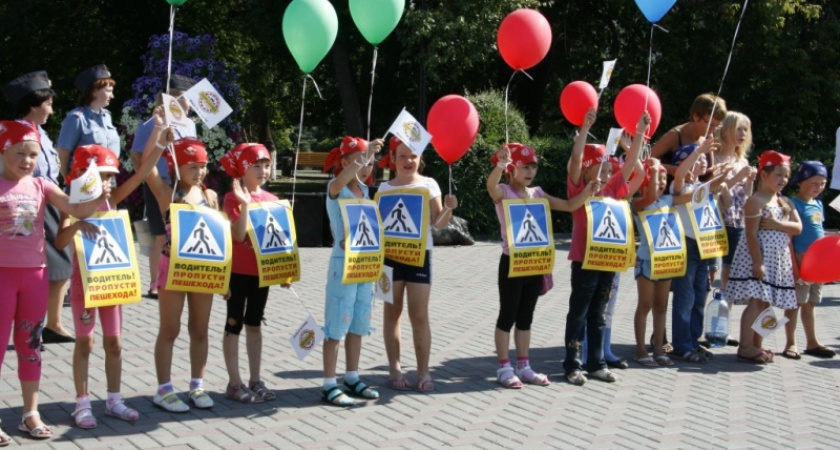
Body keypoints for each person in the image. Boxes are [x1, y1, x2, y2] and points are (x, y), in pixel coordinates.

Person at [55, 114, 169, 428]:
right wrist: (79, 223)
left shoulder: (112, 201)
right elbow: (59, 240)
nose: (107, 183)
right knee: (85, 343)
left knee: (115, 343)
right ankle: (81, 403)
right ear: (81, 176)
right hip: (84, 288)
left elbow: (144, 172)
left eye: (109, 177)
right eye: (100, 176)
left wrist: (160, 138)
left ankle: (114, 400)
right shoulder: (73, 204)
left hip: (113, 287)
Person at [0, 121, 109, 443]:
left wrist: (98, 197)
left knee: (30, 345)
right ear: (3, 150)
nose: (27, 160)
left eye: (33, 154)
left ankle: (30, 413)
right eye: (20, 153)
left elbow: (75, 209)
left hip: (35, 275)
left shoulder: (41, 186)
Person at [486, 143, 598, 388]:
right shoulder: (504, 191)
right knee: (507, 316)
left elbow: (569, 205)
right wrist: (500, 165)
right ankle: (504, 366)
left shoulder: (538, 193)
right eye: (524, 167)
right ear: (512, 168)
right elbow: (491, 187)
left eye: (533, 167)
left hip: (535, 263)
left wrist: (588, 190)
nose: (530, 172)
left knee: (526, 317)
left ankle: (524, 366)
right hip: (512, 262)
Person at [563, 108, 647, 385]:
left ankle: (596, 362)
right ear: (587, 171)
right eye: (599, 168)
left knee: (599, 313)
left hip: (608, 260)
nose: (606, 173)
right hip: (585, 259)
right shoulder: (579, 188)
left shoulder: (611, 189)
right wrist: (585, 129)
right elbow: (575, 159)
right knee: (580, 312)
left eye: (610, 169)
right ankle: (573, 365)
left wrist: (639, 133)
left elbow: (633, 161)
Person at [144, 136, 219, 412]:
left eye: (202, 165)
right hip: (172, 269)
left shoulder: (210, 196)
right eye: (191, 166)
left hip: (204, 271)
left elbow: (218, 238)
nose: (198, 172)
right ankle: (164, 389)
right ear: (176, 168)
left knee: (199, 329)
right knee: (170, 328)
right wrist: (159, 137)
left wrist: (223, 278)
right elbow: (146, 165)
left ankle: (197, 384)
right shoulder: (168, 192)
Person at [378, 137, 458, 392]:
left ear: (420, 159)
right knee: (392, 314)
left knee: (419, 315)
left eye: (413, 156)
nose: (408, 161)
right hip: (389, 259)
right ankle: (395, 369)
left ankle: (423, 372)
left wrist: (448, 209)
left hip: (418, 257)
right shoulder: (383, 189)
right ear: (392, 159)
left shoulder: (428, 184)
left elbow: (439, 222)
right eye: (402, 156)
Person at [2, 71, 75, 344]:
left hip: (51, 201)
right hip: (28, 206)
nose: (52, 110)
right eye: (49, 103)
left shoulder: (40, 133)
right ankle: (37, 325)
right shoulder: (17, 133)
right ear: (34, 104)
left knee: (60, 263)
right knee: (44, 265)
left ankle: (52, 323)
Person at [319, 136, 382, 406]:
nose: (366, 167)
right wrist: (364, 154)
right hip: (342, 266)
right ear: (344, 162)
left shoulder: (365, 192)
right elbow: (339, 182)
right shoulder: (336, 187)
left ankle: (352, 376)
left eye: (370, 163)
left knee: (358, 322)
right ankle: (328, 383)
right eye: (359, 161)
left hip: (364, 265)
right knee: (336, 325)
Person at [726, 150, 801, 364]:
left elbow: (798, 227)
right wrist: (758, 262)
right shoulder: (756, 201)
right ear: (764, 175)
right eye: (778, 175)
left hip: (778, 258)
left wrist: (778, 225)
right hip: (759, 257)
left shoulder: (784, 201)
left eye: (786, 176)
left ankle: (757, 344)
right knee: (757, 302)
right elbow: (750, 233)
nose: (783, 180)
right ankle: (746, 345)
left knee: (768, 304)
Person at [219, 142, 280, 403]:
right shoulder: (232, 197)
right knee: (234, 325)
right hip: (236, 273)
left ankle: (255, 379)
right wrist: (245, 205)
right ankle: (234, 382)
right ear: (243, 168)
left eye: (266, 165)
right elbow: (239, 234)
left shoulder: (273, 200)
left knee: (254, 324)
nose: (263, 171)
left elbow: (278, 241)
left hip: (261, 274)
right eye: (256, 165)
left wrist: (284, 271)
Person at [130, 74, 197, 300]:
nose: (190, 105)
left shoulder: (190, 125)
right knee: (160, 235)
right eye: (187, 100)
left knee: (179, 235)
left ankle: (179, 277)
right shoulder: (152, 124)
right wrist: (147, 178)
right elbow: (136, 155)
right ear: (175, 100)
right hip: (159, 185)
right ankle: (154, 284)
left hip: (183, 186)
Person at [668, 138, 732, 363]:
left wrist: (728, 175)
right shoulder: (680, 186)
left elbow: (717, 192)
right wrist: (698, 151)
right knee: (684, 298)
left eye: (704, 158)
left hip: (704, 246)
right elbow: (678, 175)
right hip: (686, 246)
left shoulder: (701, 187)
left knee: (698, 298)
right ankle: (681, 345)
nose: (703, 160)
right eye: (697, 158)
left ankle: (693, 341)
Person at [782, 161, 835, 359]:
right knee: (795, 303)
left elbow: (819, 232)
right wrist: (794, 266)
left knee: (811, 303)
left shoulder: (818, 203)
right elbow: (789, 239)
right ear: (801, 182)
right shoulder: (792, 204)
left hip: (819, 265)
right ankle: (791, 342)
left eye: (822, 184)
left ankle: (812, 342)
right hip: (801, 262)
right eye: (814, 183)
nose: (819, 188)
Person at [56, 64, 120, 178]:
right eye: (108, 91)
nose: (112, 96)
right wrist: (69, 179)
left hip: (108, 179)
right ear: (94, 91)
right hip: (85, 180)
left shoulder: (107, 117)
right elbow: (62, 153)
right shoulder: (76, 118)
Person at [716, 112, 756, 290]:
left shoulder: (742, 160)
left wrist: (750, 181)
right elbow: (713, 190)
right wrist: (737, 177)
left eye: (745, 130)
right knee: (710, 267)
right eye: (738, 129)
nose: (742, 134)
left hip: (737, 220)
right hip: (717, 220)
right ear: (724, 131)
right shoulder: (714, 158)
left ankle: (725, 307)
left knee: (730, 267)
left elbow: (746, 197)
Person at [650, 93, 727, 177]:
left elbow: (708, 171)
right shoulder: (675, 135)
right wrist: (674, 170)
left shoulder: (708, 135)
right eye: (709, 124)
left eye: (717, 125)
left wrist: (719, 171)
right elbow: (646, 162)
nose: (713, 129)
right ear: (696, 116)